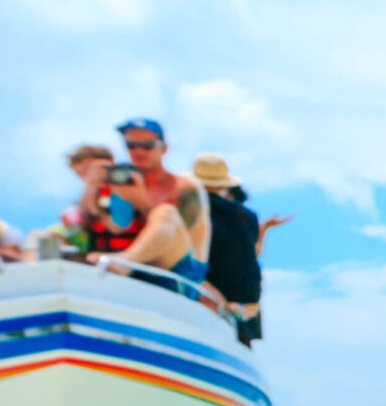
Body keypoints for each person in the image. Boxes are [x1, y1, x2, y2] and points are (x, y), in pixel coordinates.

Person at [191, 153, 290, 345]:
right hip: (248, 306)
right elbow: (252, 254)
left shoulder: (193, 208)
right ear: (224, 185)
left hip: (210, 298)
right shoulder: (248, 216)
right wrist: (265, 228)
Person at [116, 117, 211, 264]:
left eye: (148, 145)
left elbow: (171, 236)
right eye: (131, 145)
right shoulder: (123, 186)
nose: (138, 151)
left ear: (164, 148)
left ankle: (123, 263)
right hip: (135, 265)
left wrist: (142, 204)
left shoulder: (185, 188)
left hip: (180, 268)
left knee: (166, 213)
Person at [54, 144, 141, 259]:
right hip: (93, 251)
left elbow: (117, 228)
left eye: (89, 171)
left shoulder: (123, 189)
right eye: (81, 174)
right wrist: (91, 187)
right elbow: (77, 223)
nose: (87, 176)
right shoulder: (90, 193)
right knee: (45, 235)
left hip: (121, 257)